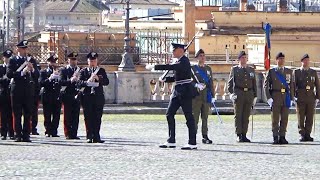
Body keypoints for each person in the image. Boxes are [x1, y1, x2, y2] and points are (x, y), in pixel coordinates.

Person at [155, 43, 198, 150]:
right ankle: (171, 140)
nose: (173, 52)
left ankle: (192, 142)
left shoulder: (184, 61)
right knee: (169, 114)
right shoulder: (179, 61)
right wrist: (166, 79)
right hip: (177, 90)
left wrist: (156, 67)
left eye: (174, 50)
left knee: (188, 116)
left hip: (185, 91)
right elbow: (177, 77)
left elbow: (175, 68)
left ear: (180, 50)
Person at [6, 40, 39, 142]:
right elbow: (9, 74)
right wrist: (21, 73)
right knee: (17, 113)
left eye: (25, 48)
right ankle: (17, 134)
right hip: (17, 90)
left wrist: (32, 69)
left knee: (28, 113)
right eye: (22, 48)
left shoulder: (31, 60)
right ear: (18, 49)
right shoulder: (13, 60)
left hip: (28, 90)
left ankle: (26, 134)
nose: (24, 50)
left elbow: (37, 76)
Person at [264, 52, 294, 144]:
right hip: (275, 96)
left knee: (285, 118)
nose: (282, 60)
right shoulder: (272, 71)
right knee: (275, 119)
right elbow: (266, 85)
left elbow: (291, 85)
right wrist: (268, 98)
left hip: (286, 97)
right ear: (276, 60)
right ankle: (275, 136)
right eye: (280, 59)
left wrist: (292, 98)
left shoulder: (289, 71)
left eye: (283, 59)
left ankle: (282, 136)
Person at [78, 52, 109, 143]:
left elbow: (107, 82)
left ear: (97, 61)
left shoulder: (101, 71)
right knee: (88, 117)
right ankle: (89, 135)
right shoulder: (83, 71)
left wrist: (99, 79)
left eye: (94, 61)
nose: (92, 62)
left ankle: (96, 136)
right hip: (87, 97)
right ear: (88, 62)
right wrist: (87, 82)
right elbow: (78, 83)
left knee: (97, 117)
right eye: (91, 61)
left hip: (98, 97)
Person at [227, 51, 257, 143]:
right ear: (239, 59)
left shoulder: (251, 70)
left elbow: (254, 83)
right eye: (242, 57)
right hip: (239, 93)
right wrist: (231, 93)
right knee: (238, 115)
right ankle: (239, 134)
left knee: (246, 115)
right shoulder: (235, 70)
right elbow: (230, 84)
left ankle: (244, 134)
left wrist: (255, 96)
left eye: (245, 57)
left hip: (249, 94)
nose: (244, 59)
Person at [293, 54, 320, 142]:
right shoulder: (297, 72)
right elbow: (293, 85)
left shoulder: (313, 72)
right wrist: (293, 97)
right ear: (302, 61)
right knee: (300, 116)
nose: (307, 62)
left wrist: (317, 97)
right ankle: (302, 133)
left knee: (310, 116)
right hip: (300, 97)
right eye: (305, 60)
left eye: (308, 60)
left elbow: (318, 85)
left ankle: (308, 134)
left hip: (311, 98)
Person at [191, 49, 215, 144]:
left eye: (204, 55)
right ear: (197, 57)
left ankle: (205, 136)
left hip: (206, 96)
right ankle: (193, 136)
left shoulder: (208, 69)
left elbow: (211, 82)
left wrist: (212, 95)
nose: (203, 57)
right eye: (200, 56)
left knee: (205, 117)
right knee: (195, 118)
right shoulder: (193, 69)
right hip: (196, 97)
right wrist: (196, 85)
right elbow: (189, 81)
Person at [39, 55, 62, 137]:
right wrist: (50, 78)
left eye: (54, 62)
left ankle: (54, 131)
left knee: (56, 115)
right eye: (51, 62)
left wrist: (58, 77)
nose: (53, 64)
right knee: (47, 114)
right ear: (48, 62)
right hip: (47, 96)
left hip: (56, 95)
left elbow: (62, 83)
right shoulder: (43, 72)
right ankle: (48, 130)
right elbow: (41, 83)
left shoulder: (59, 71)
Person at [60, 52, 81, 139]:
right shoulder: (64, 70)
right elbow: (61, 82)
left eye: (75, 60)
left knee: (76, 115)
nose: (73, 61)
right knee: (67, 115)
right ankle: (67, 133)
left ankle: (74, 133)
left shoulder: (80, 70)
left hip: (77, 94)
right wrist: (71, 80)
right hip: (67, 94)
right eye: (72, 60)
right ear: (68, 60)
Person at [0, 50, 14, 140]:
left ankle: (11, 132)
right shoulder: (0, 68)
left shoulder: (13, 68)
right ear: (3, 58)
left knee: (11, 114)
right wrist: (6, 79)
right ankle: (3, 133)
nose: (8, 59)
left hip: (12, 93)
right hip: (2, 92)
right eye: (6, 57)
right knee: (3, 114)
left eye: (9, 58)